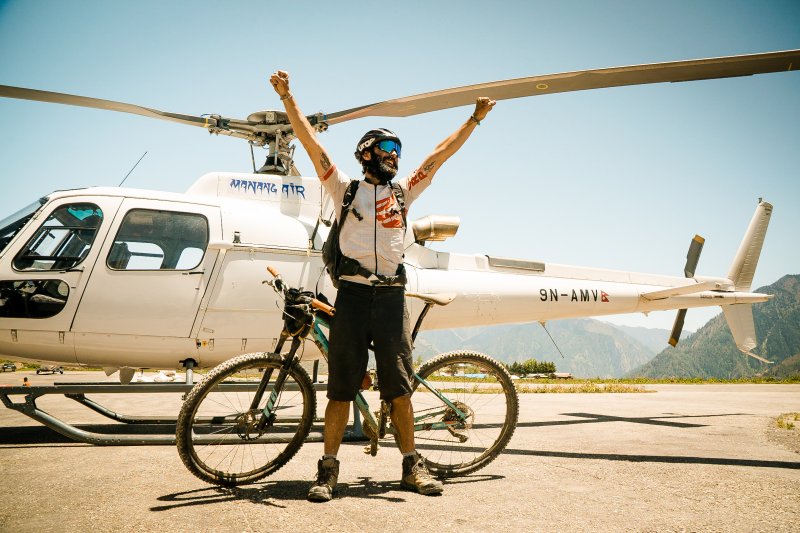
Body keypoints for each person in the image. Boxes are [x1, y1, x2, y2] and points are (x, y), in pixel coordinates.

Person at [269, 70, 495, 502]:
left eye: (397, 149)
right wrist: (288, 97)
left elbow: (438, 155)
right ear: (366, 154)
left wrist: (474, 119)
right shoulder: (344, 189)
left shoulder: (403, 192)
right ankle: (328, 471)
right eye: (388, 148)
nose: (395, 155)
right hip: (352, 297)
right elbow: (312, 144)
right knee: (339, 389)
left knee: (399, 388)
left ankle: (412, 465)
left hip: (391, 297)